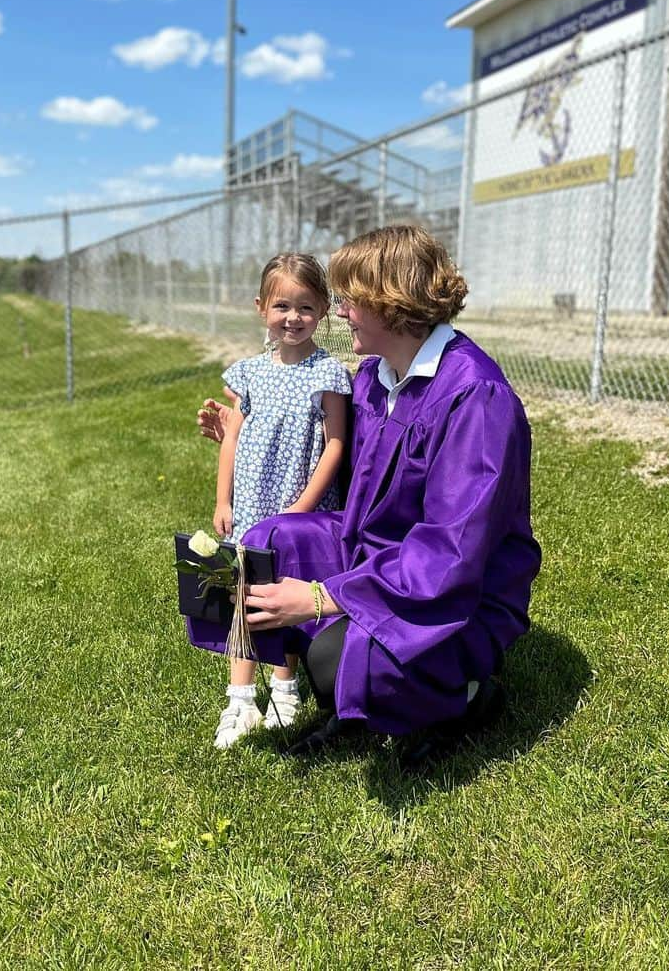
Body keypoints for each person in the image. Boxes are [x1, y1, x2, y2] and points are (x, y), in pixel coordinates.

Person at [195, 225, 541, 765]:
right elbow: (342, 473)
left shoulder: (474, 396)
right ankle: (335, 692)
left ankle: (468, 697)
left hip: (453, 594)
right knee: (268, 542)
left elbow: (451, 553)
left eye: (351, 300)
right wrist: (237, 433)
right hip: (373, 554)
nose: (340, 312)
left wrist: (319, 599)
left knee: (343, 658)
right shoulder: (375, 380)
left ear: (392, 302)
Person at [194, 252, 352, 749]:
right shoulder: (249, 373)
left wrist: (302, 509)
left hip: (297, 507)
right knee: (244, 593)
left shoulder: (327, 374)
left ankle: (285, 690)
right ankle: (239, 700)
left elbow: (335, 444)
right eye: (282, 305)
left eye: (306, 307)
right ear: (262, 308)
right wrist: (225, 500)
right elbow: (232, 439)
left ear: (323, 310)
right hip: (253, 503)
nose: (293, 317)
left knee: (280, 593)